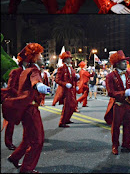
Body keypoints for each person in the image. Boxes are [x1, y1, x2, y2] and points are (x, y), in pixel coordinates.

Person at [2, 43, 50, 173]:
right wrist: (36, 86)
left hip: (27, 105)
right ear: (32, 57)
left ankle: (15, 157)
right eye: (39, 54)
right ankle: (27, 169)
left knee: (28, 138)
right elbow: (13, 87)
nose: (41, 56)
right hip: (25, 106)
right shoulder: (26, 70)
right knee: (37, 140)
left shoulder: (31, 69)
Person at [104, 50, 130, 155]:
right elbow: (110, 92)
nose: (126, 64)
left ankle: (126, 144)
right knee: (116, 127)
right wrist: (123, 93)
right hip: (118, 105)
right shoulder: (110, 76)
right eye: (123, 62)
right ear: (117, 64)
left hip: (128, 105)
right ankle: (115, 145)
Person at [1, 57, 26, 150]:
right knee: (10, 123)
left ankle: (29, 139)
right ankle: (8, 142)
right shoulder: (15, 72)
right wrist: (21, 94)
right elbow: (10, 87)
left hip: (25, 101)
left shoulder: (30, 71)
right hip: (14, 100)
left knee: (28, 120)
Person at [52, 51, 79, 127]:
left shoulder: (71, 68)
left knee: (73, 105)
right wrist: (65, 84)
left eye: (70, 58)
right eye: (68, 58)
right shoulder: (61, 68)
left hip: (71, 90)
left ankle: (67, 119)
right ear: (65, 59)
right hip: (65, 90)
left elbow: (73, 78)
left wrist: (76, 79)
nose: (70, 59)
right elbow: (57, 80)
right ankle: (62, 122)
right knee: (67, 106)